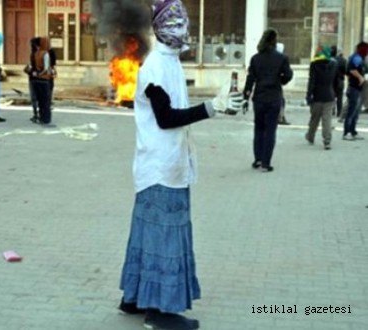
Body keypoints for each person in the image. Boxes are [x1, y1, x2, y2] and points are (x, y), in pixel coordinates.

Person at [118, 1, 228, 329]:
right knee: (163, 237)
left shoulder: (171, 62)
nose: (183, 29)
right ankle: (160, 312)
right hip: (160, 168)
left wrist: (219, 107)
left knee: (147, 234)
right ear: (161, 27)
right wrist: (210, 108)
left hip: (169, 163)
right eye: (175, 22)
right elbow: (166, 118)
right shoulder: (154, 67)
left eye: (184, 22)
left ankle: (134, 298)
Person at [243, 29, 293, 172]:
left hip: (259, 98)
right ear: (275, 40)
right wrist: (281, 80)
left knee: (258, 129)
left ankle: (258, 159)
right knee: (270, 131)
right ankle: (266, 163)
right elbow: (288, 75)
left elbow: (250, 79)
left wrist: (245, 97)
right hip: (274, 98)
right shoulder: (282, 58)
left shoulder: (255, 58)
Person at [305, 45, 337, 150]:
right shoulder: (334, 65)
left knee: (315, 118)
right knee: (327, 119)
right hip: (330, 95)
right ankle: (327, 141)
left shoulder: (314, 65)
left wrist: (308, 94)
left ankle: (310, 137)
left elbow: (312, 81)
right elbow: (335, 81)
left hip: (317, 96)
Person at [343, 41, 368, 140]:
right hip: (354, 88)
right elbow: (352, 70)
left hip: (358, 88)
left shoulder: (360, 58)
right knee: (351, 111)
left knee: (356, 112)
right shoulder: (356, 58)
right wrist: (360, 78)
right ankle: (347, 132)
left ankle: (353, 131)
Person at [31, 37, 53, 125]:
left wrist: (36, 74)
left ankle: (41, 117)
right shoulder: (45, 54)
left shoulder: (36, 53)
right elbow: (46, 68)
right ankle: (46, 119)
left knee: (40, 100)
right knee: (46, 101)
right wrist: (42, 73)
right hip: (44, 79)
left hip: (36, 80)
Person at [24, 37, 41, 123]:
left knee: (34, 97)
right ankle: (39, 113)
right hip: (40, 78)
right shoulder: (43, 53)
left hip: (33, 78)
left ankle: (36, 114)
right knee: (39, 97)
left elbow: (31, 66)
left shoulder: (34, 54)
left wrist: (28, 70)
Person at [331, 46, 347, 118]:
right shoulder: (343, 60)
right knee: (339, 97)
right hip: (340, 80)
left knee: (332, 96)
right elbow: (346, 71)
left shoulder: (331, 60)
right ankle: (339, 112)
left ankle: (332, 110)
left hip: (332, 81)